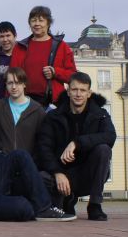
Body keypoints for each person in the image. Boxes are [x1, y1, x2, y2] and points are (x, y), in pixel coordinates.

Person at [36, 72, 116, 221]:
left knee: (103, 149)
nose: (78, 94)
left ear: (89, 93)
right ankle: (66, 199)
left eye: (83, 90)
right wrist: (57, 172)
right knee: (40, 177)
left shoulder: (100, 114)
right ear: (68, 91)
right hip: (61, 174)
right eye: (74, 89)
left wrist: (77, 143)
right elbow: (44, 148)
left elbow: (110, 136)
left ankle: (95, 205)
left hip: (87, 173)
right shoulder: (53, 117)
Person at [10, 6, 76, 107]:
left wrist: (55, 72)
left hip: (53, 103)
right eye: (33, 20)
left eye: (41, 20)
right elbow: (12, 76)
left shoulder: (61, 46)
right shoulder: (20, 47)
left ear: (48, 23)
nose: (37, 24)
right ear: (29, 24)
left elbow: (73, 76)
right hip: (25, 101)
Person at [0, 67, 45, 154]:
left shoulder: (37, 110)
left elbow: (44, 141)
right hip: (2, 158)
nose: (13, 87)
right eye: (10, 83)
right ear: (6, 84)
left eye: (17, 83)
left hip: (26, 160)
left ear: (24, 84)